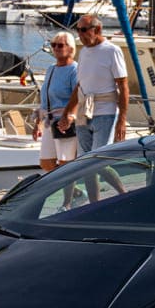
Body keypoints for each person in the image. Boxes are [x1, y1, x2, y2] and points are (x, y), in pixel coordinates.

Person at [58, 14, 128, 201]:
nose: (79, 34)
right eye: (78, 30)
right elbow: (80, 86)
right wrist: (67, 112)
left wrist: (122, 119)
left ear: (97, 30)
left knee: (98, 161)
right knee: (85, 163)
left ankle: (124, 194)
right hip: (84, 113)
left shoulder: (112, 51)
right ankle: (94, 203)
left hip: (105, 112)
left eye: (83, 30)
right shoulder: (84, 52)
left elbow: (123, 85)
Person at [33, 31, 78, 174]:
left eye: (60, 45)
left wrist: (70, 116)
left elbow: (78, 96)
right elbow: (45, 98)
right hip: (48, 121)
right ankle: (74, 190)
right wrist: (37, 123)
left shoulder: (74, 69)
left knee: (66, 163)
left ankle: (69, 195)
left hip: (63, 121)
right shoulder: (51, 69)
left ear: (70, 48)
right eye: (53, 45)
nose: (56, 48)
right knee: (46, 162)